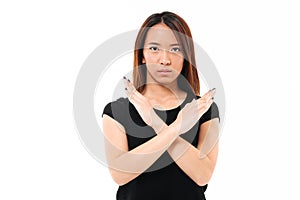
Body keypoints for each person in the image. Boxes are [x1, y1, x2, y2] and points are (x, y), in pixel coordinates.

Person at [102, 11, 220, 200]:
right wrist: (177, 127)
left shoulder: (202, 108)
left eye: (175, 49)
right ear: (142, 55)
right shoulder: (117, 111)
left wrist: (154, 121)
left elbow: (202, 175)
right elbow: (120, 174)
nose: (165, 60)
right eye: (155, 48)